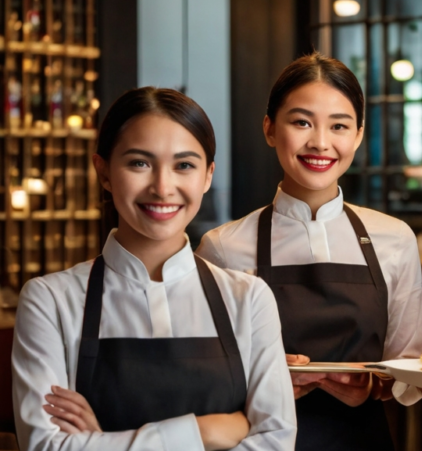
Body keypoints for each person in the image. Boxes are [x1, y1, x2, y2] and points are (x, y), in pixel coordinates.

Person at [12, 87, 296, 450]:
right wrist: (203, 433)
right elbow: (44, 446)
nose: (163, 187)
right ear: (104, 172)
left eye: (184, 165)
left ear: (207, 176)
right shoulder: (49, 300)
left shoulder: (249, 298)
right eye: (139, 163)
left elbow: (275, 442)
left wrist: (100, 441)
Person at [196, 53, 422, 451]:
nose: (320, 142)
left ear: (357, 135)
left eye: (338, 125)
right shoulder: (223, 247)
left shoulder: (395, 239)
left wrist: (374, 386)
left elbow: (414, 368)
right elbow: (202, 376)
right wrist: (263, 382)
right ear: (270, 128)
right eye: (301, 122)